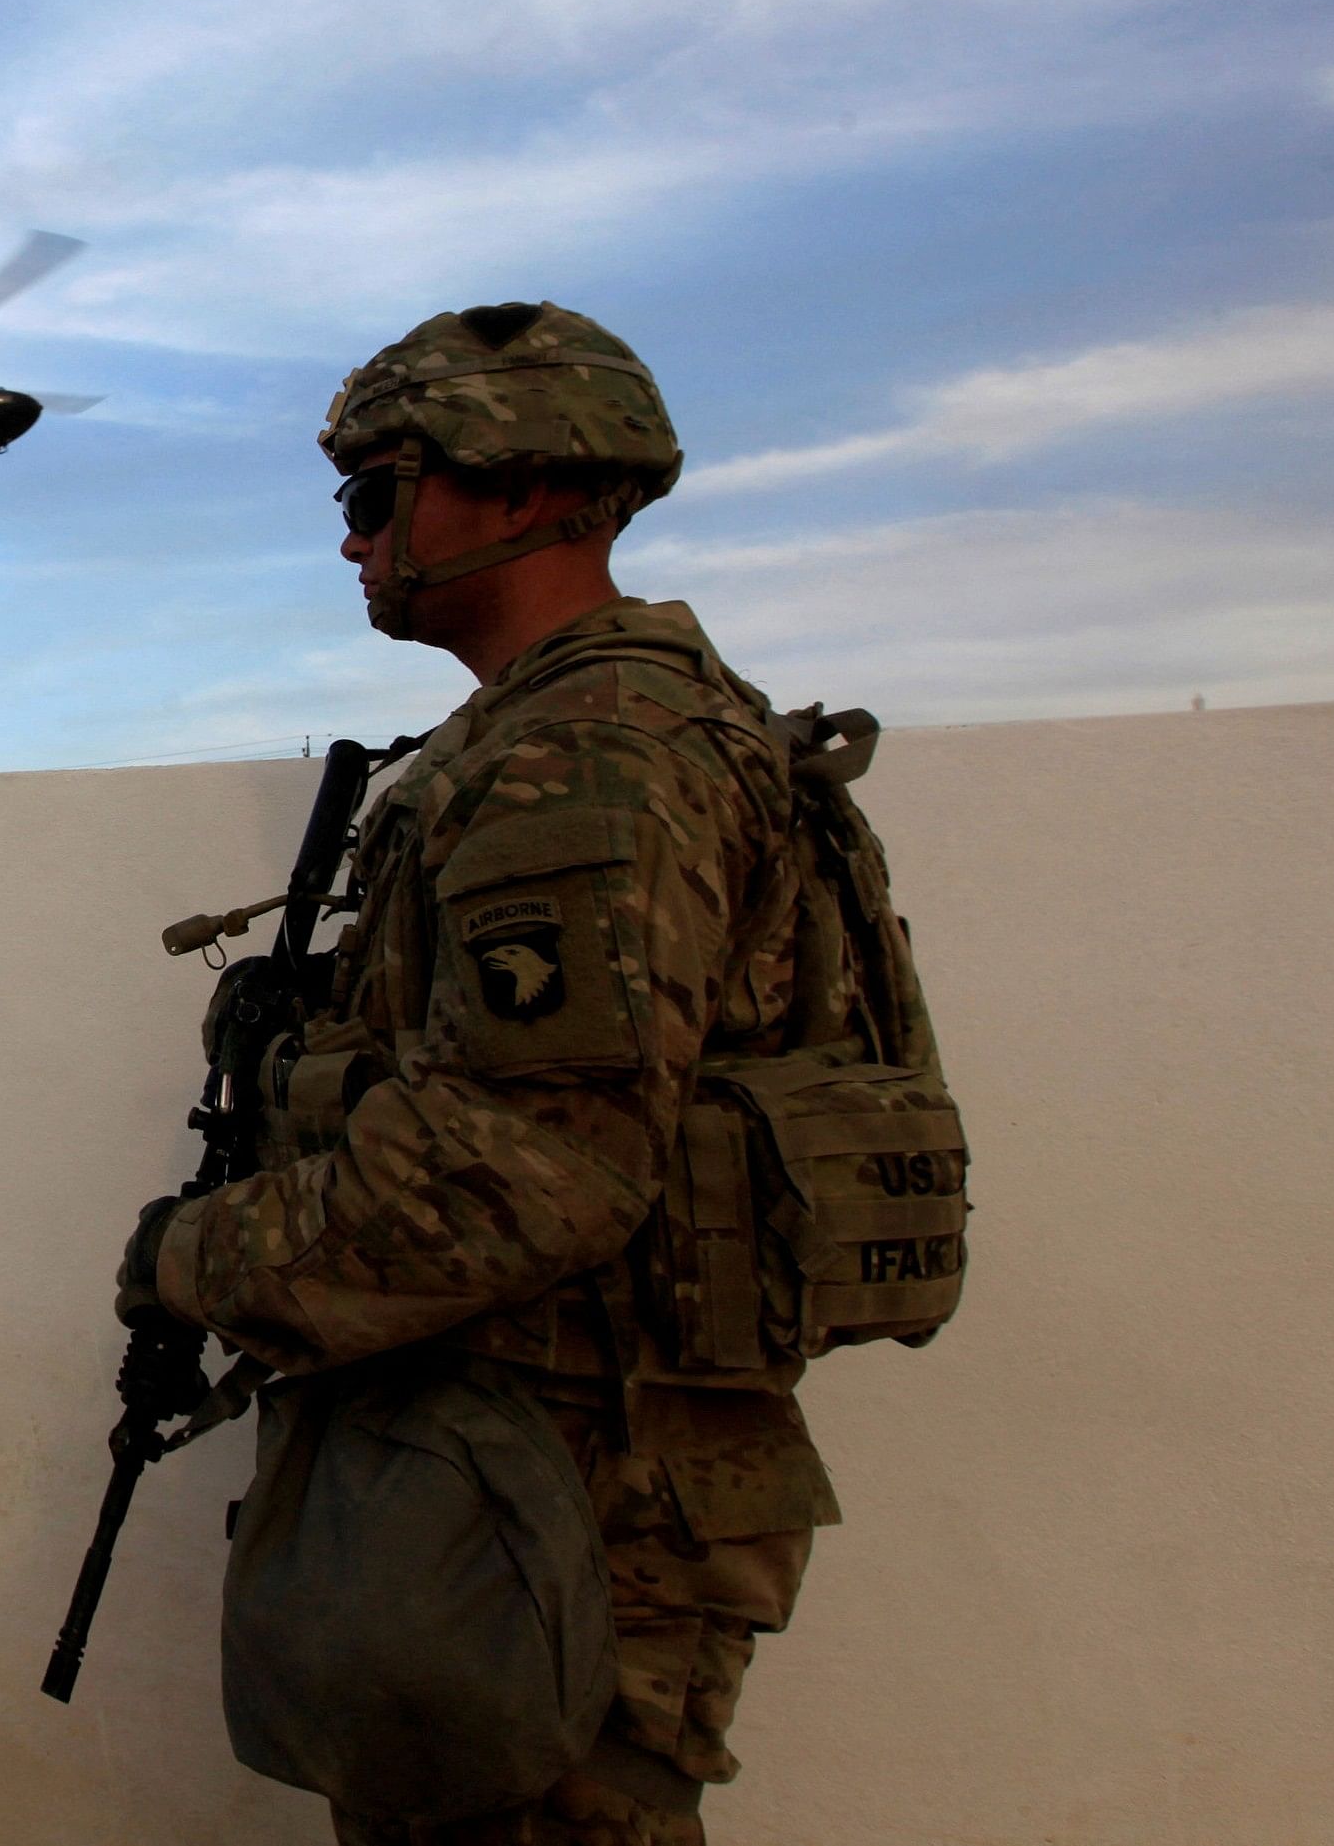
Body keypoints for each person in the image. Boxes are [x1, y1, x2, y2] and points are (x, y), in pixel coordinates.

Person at [116, 302, 851, 1846]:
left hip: (565, 1492)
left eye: (375, 496)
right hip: (512, 1470)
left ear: (519, 487)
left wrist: (190, 1258)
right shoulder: (574, 736)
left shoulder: (586, 759)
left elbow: (529, 1164)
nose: (352, 542)